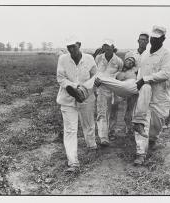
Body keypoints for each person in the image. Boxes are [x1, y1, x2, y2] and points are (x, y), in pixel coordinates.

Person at [132, 25, 170, 166]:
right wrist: (138, 84)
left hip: (161, 95)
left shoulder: (168, 54)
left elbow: (165, 74)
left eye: (157, 38)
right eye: (152, 38)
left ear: (163, 38)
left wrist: (145, 79)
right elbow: (140, 73)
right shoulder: (145, 54)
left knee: (157, 123)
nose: (154, 40)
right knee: (141, 120)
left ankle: (152, 138)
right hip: (145, 94)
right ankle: (140, 153)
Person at [56, 36, 98, 173]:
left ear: (79, 45)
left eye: (73, 46)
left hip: (86, 96)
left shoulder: (89, 58)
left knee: (88, 123)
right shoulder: (63, 59)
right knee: (70, 130)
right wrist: (74, 88)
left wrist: (90, 86)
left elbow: (95, 75)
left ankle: (91, 146)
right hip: (68, 98)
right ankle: (73, 162)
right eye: (68, 47)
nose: (71, 49)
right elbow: (60, 78)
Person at [95, 39, 123, 146]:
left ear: (112, 47)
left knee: (113, 112)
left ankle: (111, 132)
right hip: (101, 89)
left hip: (113, 90)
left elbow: (121, 74)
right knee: (101, 112)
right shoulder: (98, 58)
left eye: (108, 46)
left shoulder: (118, 61)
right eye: (104, 46)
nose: (106, 48)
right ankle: (103, 137)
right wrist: (95, 82)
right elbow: (95, 72)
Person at [123, 32, 149, 135]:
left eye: (144, 40)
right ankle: (128, 129)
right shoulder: (131, 54)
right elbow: (125, 68)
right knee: (130, 105)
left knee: (142, 106)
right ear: (138, 41)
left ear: (147, 42)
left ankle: (139, 128)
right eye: (140, 39)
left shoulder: (149, 54)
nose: (142, 41)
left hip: (144, 83)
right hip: (133, 83)